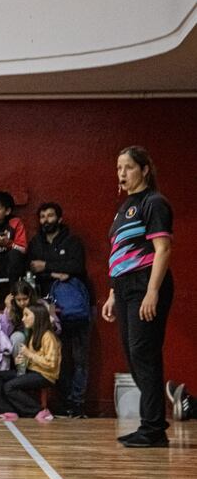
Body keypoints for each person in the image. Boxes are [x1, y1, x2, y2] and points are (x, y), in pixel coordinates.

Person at [103, 146, 174, 447]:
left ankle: (153, 428)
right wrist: (111, 294)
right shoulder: (123, 208)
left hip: (145, 284)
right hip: (124, 288)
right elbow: (119, 253)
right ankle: (152, 423)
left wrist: (152, 291)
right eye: (119, 168)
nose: (122, 174)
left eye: (128, 167)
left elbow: (162, 250)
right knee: (134, 357)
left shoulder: (154, 202)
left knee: (144, 355)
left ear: (144, 170)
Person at [28, 201, 89, 417]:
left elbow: (77, 266)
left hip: (77, 307)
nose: (46, 220)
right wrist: (57, 269)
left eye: (50, 216)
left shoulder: (72, 241)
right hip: (49, 308)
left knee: (80, 357)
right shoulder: (36, 242)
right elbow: (33, 270)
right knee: (57, 357)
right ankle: (63, 403)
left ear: (59, 219)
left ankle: (77, 403)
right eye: (42, 216)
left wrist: (47, 266)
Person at [0, 302, 59, 422]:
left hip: (45, 375)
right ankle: (8, 410)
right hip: (33, 371)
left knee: (9, 387)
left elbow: (51, 364)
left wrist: (29, 354)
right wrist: (22, 361)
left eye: (27, 315)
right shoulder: (33, 335)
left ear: (37, 317)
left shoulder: (48, 336)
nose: (23, 319)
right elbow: (33, 359)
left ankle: (38, 410)